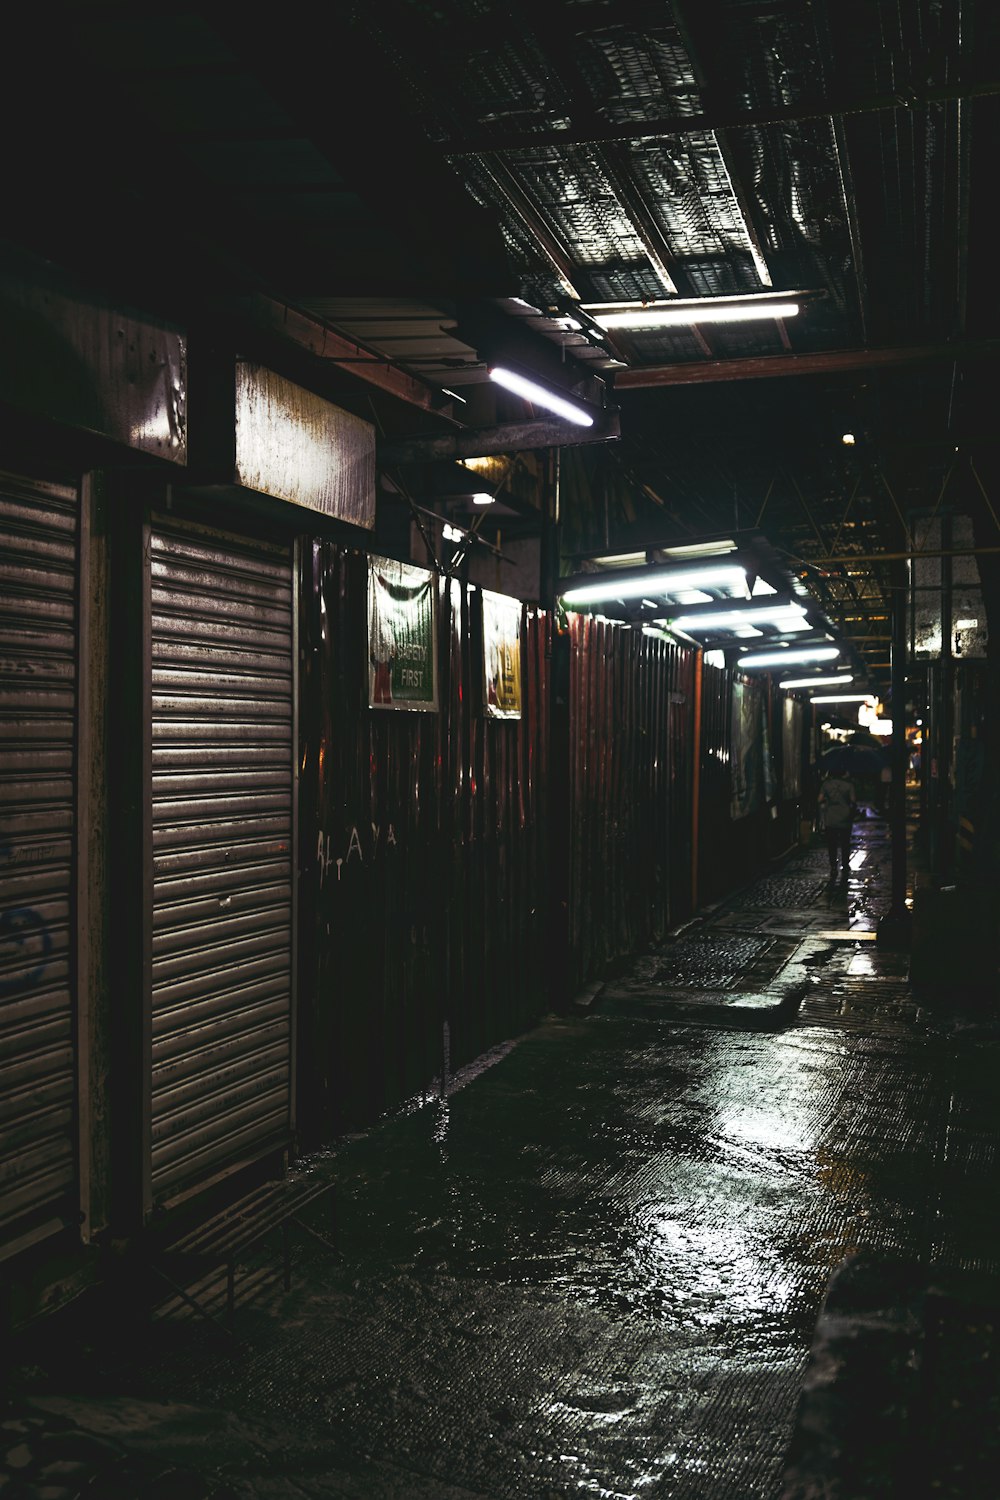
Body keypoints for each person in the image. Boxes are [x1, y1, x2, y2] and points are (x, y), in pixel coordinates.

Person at [817, 769, 856, 885]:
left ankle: (833, 866)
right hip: (845, 817)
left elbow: (819, 799)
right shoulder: (849, 785)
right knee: (845, 842)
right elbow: (853, 801)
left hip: (831, 817)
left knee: (832, 843)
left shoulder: (826, 785)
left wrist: (827, 802)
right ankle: (845, 864)